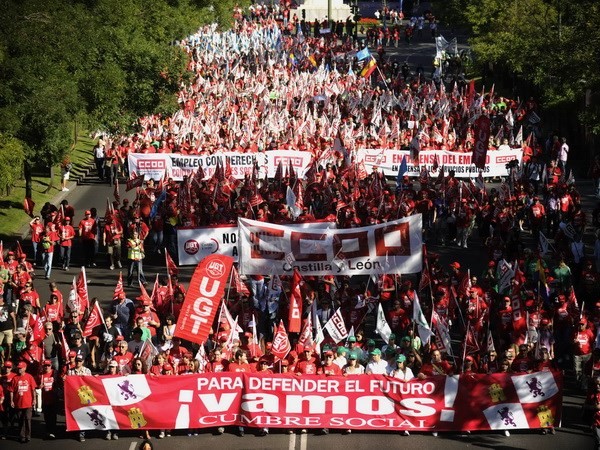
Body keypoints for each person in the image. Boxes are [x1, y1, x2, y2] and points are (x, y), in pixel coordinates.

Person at [9, 361, 37, 443]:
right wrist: (11, 401)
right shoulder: (15, 378)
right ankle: (22, 436)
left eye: (21, 368)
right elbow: (11, 391)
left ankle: (28, 436)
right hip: (18, 403)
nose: (19, 369)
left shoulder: (29, 377)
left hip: (28, 403)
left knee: (28, 419)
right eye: (18, 368)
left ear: (25, 368)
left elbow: (33, 389)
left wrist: (34, 399)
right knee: (21, 420)